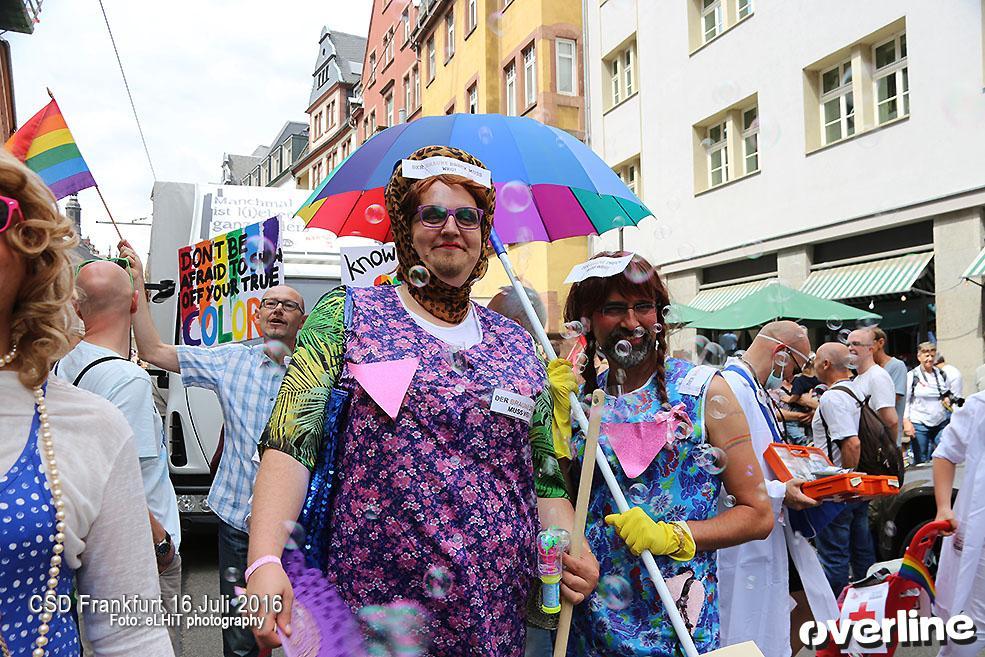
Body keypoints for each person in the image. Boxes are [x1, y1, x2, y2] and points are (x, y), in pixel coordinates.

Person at [247, 146, 597, 657]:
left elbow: (541, 477)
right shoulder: (347, 315)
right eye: (431, 214)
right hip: (373, 612)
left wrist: (569, 545)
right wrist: (264, 560)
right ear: (405, 229)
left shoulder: (519, 344)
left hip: (490, 616)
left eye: (467, 215)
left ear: (485, 232)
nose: (450, 227)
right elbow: (290, 443)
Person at [0, 149, 172, 656]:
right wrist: (161, 543)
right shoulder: (128, 384)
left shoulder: (87, 417)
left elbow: (130, 633)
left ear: (31, 253)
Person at [564, 252, 774, 657]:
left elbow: (758, 513)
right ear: (587, 320)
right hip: (588, 622)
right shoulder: (579, 403)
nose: (631, 322)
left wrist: (672, 536)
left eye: (643, 307)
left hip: (676, 622)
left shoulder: (704, 391)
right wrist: (550, 422)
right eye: (613, 308)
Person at [119, 239, 308, 657]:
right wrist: (137, 283)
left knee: (305, 634)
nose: (277, 309)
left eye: (288, 305)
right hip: (239, 520)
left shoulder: (317, 372)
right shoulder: (230, 361)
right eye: (269, 303)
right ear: (257, 317)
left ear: (303, 319)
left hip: (298, 528)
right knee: (241, 640)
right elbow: (152, 351)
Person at [55, 259, 182, 653]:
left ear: (77, 308)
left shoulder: (64, 364)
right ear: (133, 304)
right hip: (139, 555)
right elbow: (130, 486)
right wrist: (162, 548)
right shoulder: (128, 380)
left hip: (90, 540)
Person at [717, 322, 839, 657]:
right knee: (746, 623)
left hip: (774, 521)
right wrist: (779, 491)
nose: (792, 378)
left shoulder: (754, 390)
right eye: (796, 366)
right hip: (748, 524)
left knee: (809, 605)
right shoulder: (731, 388)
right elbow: (724, 473)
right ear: (780, 354)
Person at [810, 342, 876, 595]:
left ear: (825, 364)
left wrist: (847, 484)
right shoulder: (854, 391)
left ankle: (834, 614)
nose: (812, 364)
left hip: (838, 490)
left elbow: (852, 443)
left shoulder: (832, 396)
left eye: (816, 359)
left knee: (835, 557)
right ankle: (865, 604)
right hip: (858, 486)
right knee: (861, 551)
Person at [932, 391, 985, 657]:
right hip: (981, 539)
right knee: (971, 629)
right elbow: (946, 452)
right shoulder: (981, 406)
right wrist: (943, 507)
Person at [903, 342, 959, 464]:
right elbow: (906, 400)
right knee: (921, 459)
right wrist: (906, 422)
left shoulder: (941, 374)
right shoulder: (912, 376)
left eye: (932, 356)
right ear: (919, 357)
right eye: (926, 356)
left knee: (945, 453)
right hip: (920, 422)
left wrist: (948, 400)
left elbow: (947, 392)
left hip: (940, 421)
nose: (929, 359)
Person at [847, 328, 898, 438]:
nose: (850, 348)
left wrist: (889, 451)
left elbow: (891, 421)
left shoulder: (877, 376)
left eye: (856, 344)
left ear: (870, 348)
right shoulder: (858, 379)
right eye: (848, 344)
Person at [871, 327, 907, 444]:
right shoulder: (869, 369)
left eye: (867, 343)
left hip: (889, 437)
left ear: (880, 343)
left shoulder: (897, 366)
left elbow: (893, 399)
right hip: (872, 436)